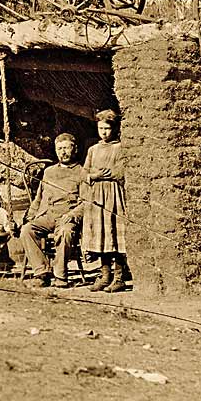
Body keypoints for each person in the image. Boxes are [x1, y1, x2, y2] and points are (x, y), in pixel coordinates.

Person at [16, 133, 85, 288]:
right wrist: (29, 216)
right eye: (60, 149)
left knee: (65, 233)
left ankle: (60, 276)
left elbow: (86, 202)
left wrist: (73, 215)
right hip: (48, 215)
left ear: (75, 149)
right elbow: (39, 198)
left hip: (67, 216)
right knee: (27, 230)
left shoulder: (82, 172)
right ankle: (42, 273)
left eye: (67, 148)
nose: (63, 152)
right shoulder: (49, 172)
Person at [81, 109, 130, 293]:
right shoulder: (93, 150)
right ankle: (105, 275)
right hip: (96, 196)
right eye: (101, 128)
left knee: (114, 235)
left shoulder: (120, 148)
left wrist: (103, 175)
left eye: (107, 129)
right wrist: (92, 175)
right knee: (101, 236)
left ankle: (119, 278)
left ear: (114, 129)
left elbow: (120, 171)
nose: (104, 132)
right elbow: (83, 172)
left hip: (113, 195)